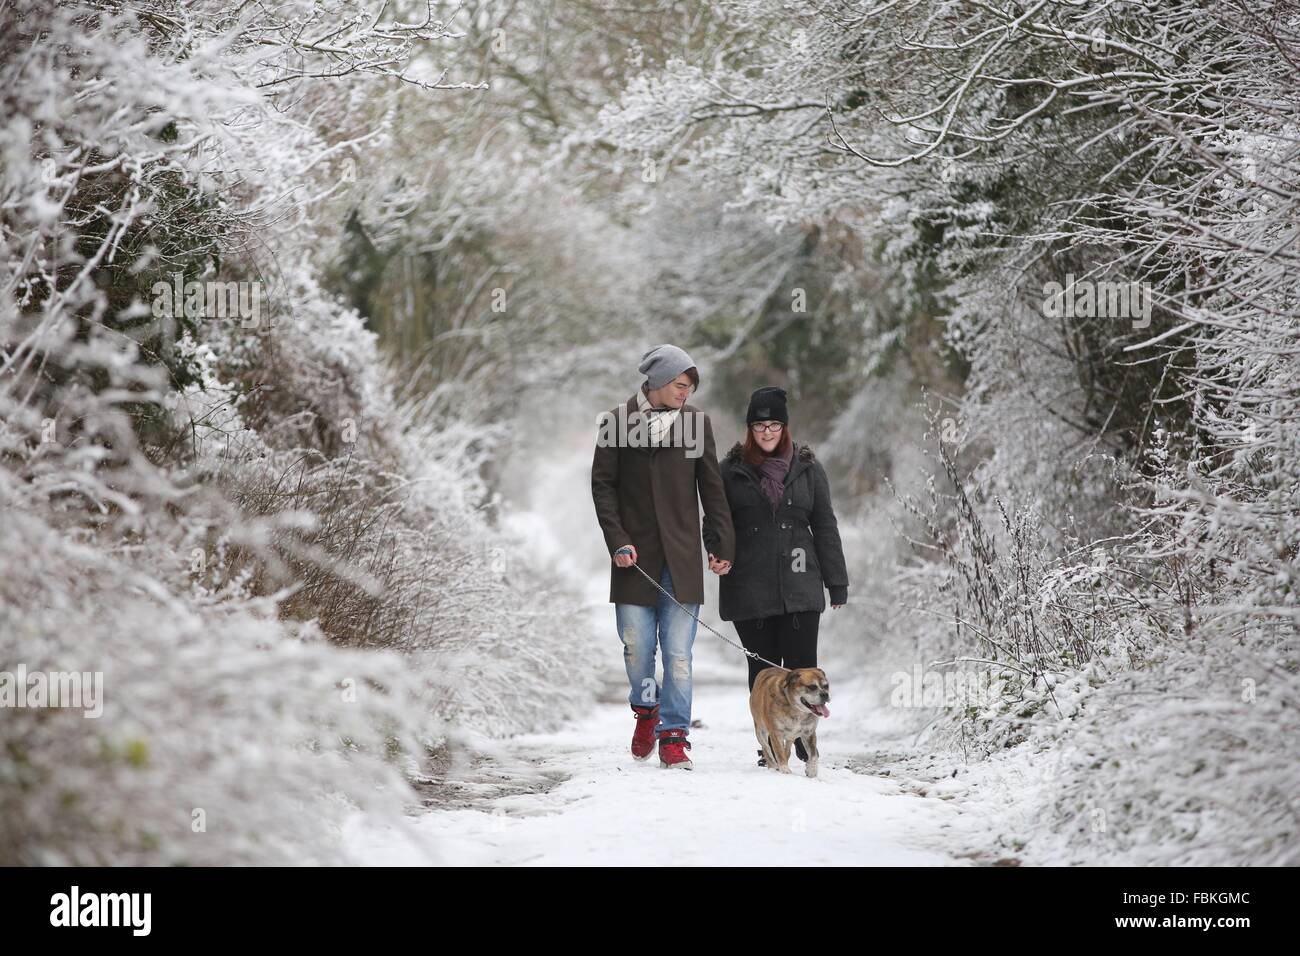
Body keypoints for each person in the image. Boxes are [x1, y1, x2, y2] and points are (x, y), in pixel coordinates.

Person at [591, 344, 735, 770]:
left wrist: (720, 545)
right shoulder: (617, 423)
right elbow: (603, 488)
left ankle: (674, 736)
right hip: (632, 558)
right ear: (656, 382)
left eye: (690, 386)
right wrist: (617, 539)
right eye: (679, 384)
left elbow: (712, 490)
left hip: (683, 556)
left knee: (678, 655)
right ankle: (646, 709)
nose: (686, 393)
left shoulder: (696, 424)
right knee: (637, 649)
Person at [705, 386, 849, 767]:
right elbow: (716, 521)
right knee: (763, 669)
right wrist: (717, 552)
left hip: (801, 582)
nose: (766, 432)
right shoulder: (730, 471)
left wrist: (837, 581)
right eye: (758, 425)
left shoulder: (808, 468)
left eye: (773, 425)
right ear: (749, 429)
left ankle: (804, 741)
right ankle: (769, 745)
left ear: (784, 427)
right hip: (749, 586)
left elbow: (825, 524)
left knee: (803, 664)